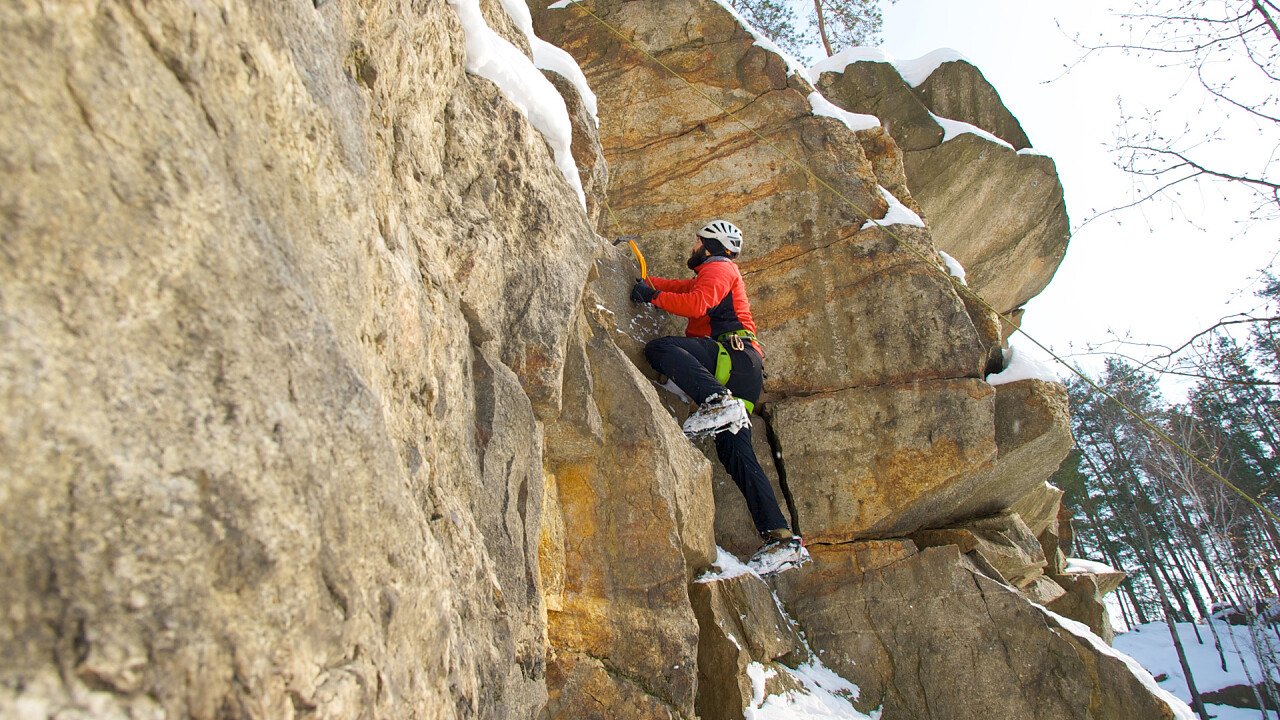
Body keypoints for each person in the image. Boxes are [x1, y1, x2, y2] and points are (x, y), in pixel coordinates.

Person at [630, 220, 809, 575]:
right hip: (744, 371)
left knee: (660, 348)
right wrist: (649, 285)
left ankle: (716, 401)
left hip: (731, 356)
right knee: (736, 454)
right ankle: (781, 537)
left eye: (697, 241)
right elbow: (682, 288)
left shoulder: (719, 266)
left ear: (710, 244)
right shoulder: (713, 272)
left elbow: (697, 304)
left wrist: (652, 297)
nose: (693, 247)